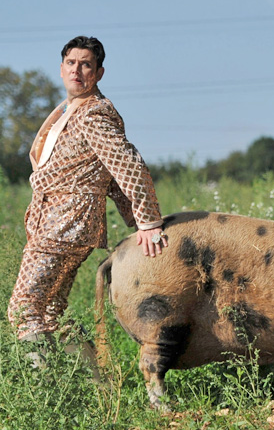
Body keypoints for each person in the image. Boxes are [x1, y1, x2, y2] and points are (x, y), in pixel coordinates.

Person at [7, 36, 168, 344]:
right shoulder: (71, 109)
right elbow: (110, 176)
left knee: (24, 309)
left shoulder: (93, 113)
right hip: (58, 222)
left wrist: (148, 223)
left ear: (99, 72)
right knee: (51, 311)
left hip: (63, 224)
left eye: (86, 65)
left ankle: (46, 387)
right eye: (71, 63)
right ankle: (90, 379)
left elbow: (127, 166)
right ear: (61, 68)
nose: (77, 71)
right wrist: (135, 221)